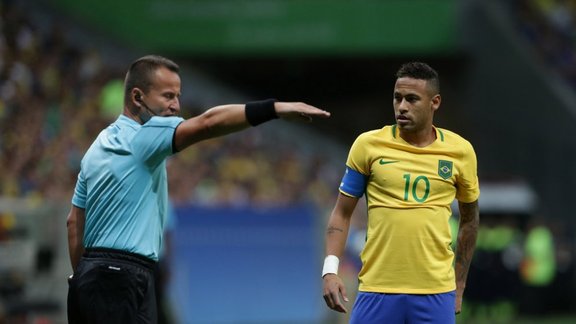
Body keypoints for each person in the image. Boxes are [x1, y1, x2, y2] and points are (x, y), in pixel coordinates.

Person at [66, 55, 330, 324]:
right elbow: (208, 123)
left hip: (95, 276)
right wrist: (274, 109)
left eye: (178, 96)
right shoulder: (144, 136)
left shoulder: (96, 148)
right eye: (167, 96)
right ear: (137, 97)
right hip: (122, 276)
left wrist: (83, 279)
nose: (176, 105)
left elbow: (74, 223)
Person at [321, 62, 480, 324]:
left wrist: (459, 285)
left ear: (435, 102)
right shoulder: (368, 146)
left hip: (436, 292)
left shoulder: (460, 152)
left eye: (412, 99)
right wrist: (330, 271)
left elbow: (470, 219)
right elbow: (342, 212)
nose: (402, 106)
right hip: (377, 289)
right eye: (397, 98)